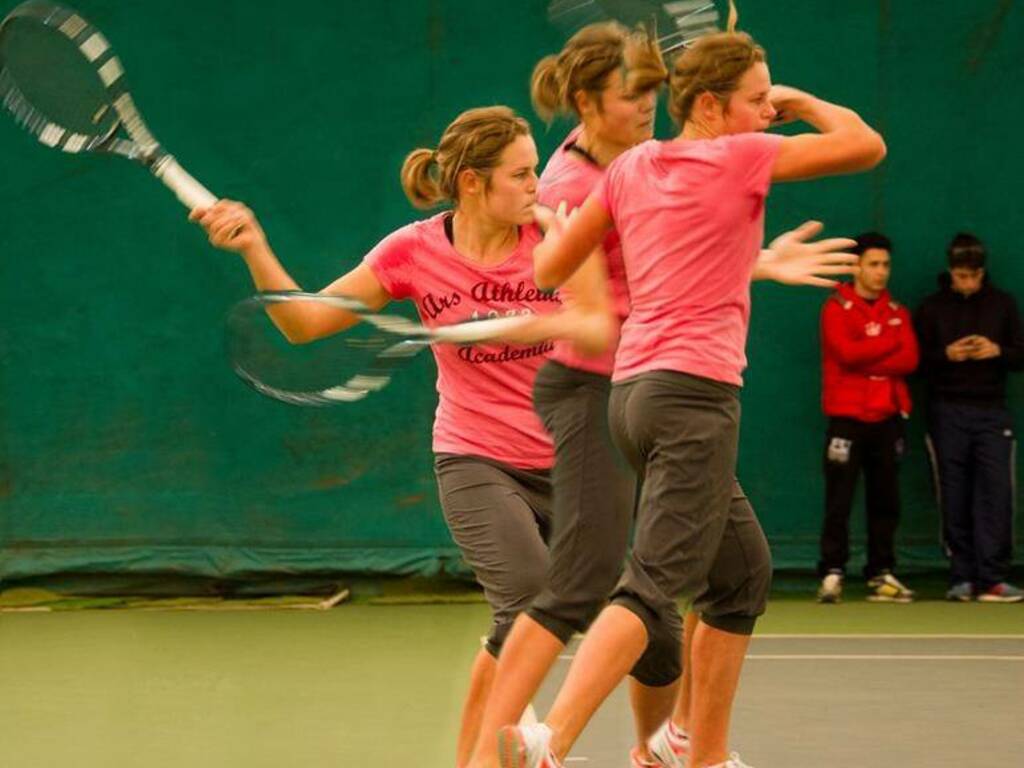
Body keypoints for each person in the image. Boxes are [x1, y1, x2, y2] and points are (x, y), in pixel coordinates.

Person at [470, 21, 862, 768]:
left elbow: (553, 265)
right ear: (711, 107)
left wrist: (555, 230)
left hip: (631, 397)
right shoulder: (731, 158)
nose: (767, 112)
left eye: (772, 100)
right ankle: (545, 740)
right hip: (674, 397)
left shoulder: (628, 168)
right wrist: (805, 99)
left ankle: (692, 748)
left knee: (740, 572)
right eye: (756, 100)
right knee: (643, 590)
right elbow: (864, 144)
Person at [190, 106, 590, 768]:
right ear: (470, 183)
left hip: (569, 456)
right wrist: (255, 245)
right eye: (520, 175)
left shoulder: (556, 240)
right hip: (475, 457)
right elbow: (305, 324)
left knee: (527, 625)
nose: (536, 187)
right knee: (524, 591)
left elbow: (614, 318)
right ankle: (528, 744)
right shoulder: (413, 251)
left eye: (536, 173)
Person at [915, 232, 1024, 603]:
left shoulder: (1003, 305)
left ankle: (993, 577)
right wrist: (947, 354)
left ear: (982, 272)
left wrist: (997, 350)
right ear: (951, 271)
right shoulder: (932, 309)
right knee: (954, 494)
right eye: (962, 275)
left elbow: (1020, 355)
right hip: (948, 413)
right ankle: (961, 576)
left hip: (993, 413)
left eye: (974, 275)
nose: (968, 281)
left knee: (997, 493)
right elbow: (916, 363)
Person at [817, 232, 919, 604]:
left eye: (885, 265)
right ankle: (832, 572)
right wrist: (887, 344)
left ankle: (880, 573)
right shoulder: (835, 308)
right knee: (839, 500)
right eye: (873, 264)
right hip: (846, 420)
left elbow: (909, 359)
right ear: (857, 266)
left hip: (887, 419)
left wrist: (869, 350)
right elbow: (845, 353)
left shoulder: (898, 312)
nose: (880, 272)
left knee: (885, 500)